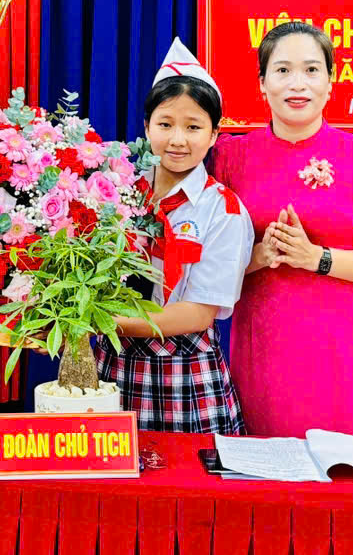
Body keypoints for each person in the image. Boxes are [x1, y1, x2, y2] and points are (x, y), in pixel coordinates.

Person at [208, 20, 353, 437]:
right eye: (282, 70)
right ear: (262, 83)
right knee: (268, 465)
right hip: (263, 344)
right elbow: (204, 264)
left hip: (340, 343)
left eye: (311, 70)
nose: (297, 83)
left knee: (346, 467)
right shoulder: (231, 156)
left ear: (330, 81)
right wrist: (257, 257)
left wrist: (316, 258)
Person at [98, 39, 254, 434]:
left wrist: (99, 322)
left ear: (215, 134)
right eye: (165, 124)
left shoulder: (224, 210)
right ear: (146, 126)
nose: (177, 139)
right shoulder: (113, 193)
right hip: (112, 365)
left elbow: (198, 313)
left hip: (188, 375)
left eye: (193, 127)